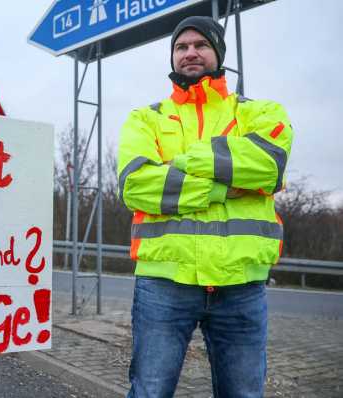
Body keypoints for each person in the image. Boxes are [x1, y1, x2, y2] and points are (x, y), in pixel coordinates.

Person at [117, 15, 294, 397]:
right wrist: (225, 185)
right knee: (149, 392)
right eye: (181, 47)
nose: (190, 53)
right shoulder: (145, 118)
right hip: (164, 281)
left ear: (219, 53)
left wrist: (182, 162)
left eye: (200, 45)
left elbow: (269, 164)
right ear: (172, 57)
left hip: (241, 284)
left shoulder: (258, 113)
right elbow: (135, 184)